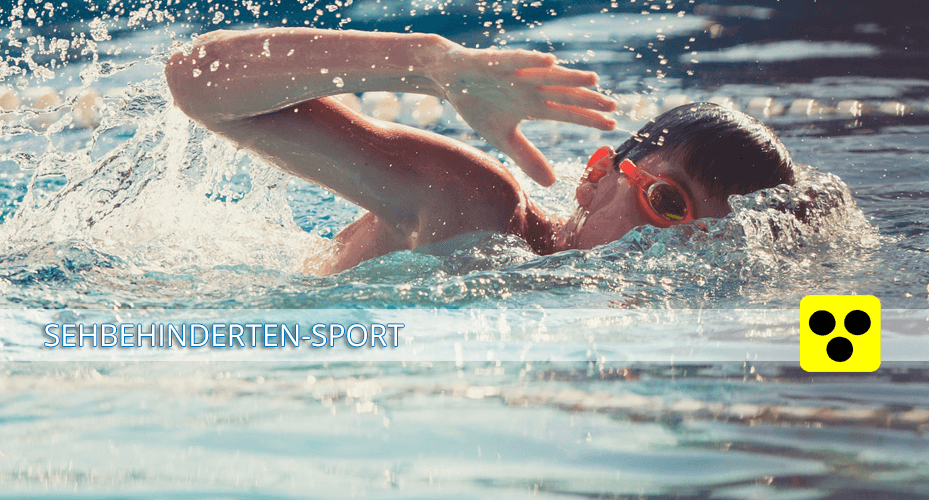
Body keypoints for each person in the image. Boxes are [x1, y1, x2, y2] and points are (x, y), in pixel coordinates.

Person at [165, 28, 794, 275]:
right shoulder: (478, 206)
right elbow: (197, 80)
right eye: (667, 203)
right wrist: (430, 66)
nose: (668, 253)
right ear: (596, 176)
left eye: (707, 243)